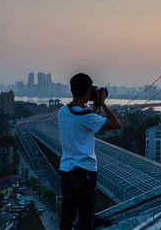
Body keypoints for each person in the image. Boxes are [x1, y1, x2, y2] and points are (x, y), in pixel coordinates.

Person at [58, 73, 121, 230]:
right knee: (86, 215)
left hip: (66, 169)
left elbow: (86, 120)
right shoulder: (86, 116)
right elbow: (116, 124)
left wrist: (94, 106)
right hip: (84, 170)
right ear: (87, 92)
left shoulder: (63, 111)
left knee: (68, 213)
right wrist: (103, 104)